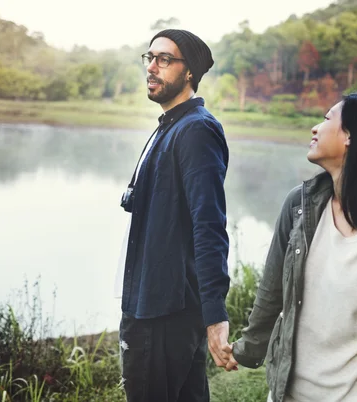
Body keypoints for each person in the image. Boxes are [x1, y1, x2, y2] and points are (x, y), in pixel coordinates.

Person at [224, 92, 357, 402]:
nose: (314, 128)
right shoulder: (298, 206)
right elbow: (272, 293)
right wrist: (247, 350)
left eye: (326, 119)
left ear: (352, 136)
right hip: (289, 393)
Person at [115, 29, 232, 402]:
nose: (152, 67)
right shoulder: (171, 126)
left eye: (164, 59)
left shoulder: (195, 130)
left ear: (189, 73)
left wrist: (215, 315)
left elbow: (209, 225)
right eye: (149, 57)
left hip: (164, 313)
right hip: (154, 303)